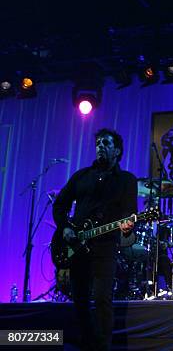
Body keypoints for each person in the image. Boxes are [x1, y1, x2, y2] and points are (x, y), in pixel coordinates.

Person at [53, 128, 137, 351]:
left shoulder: (126, 180)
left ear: (117, 151)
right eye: (98, 142)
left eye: (106, 143)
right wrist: (64, 228)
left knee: (101, 300)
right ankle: (87, 344)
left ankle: (102, 347)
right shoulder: (81, 176)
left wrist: (127, 228)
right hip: (76, 247)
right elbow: (60, 204)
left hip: (104, 247)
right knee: (79, 301)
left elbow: (129, 214)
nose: (100, 146)